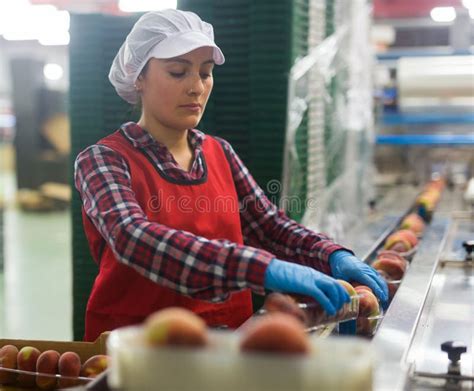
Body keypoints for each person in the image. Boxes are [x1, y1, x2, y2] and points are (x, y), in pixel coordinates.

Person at [74, 9, 388, 342]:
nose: (196, 87)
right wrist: (263, 269)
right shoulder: (103, 160)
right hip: (139, 350)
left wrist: (332, 255)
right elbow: (134, 238)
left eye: (205, 73)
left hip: (225, 345)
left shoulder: (218, 152)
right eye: (178, 72)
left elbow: (268, 227)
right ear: (137, 77)